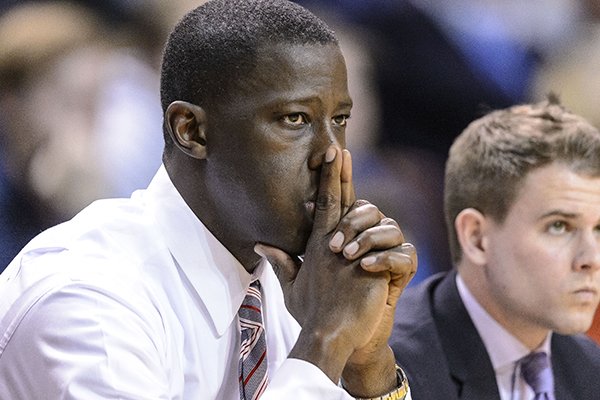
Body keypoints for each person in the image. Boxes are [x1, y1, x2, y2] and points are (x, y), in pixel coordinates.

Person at [0, 0, 417, 399]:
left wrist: (367, 366)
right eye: (295, 119)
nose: (332, 154)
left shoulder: (293, 284)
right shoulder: (88, 297)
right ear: (191, 131)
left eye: (339, 120)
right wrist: (326, 341)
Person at [389, 96, 600, 399]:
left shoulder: (590, 369)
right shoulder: (391, 370)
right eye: (559, 226)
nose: (591, 258)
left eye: (598, 229)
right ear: (476, 238)